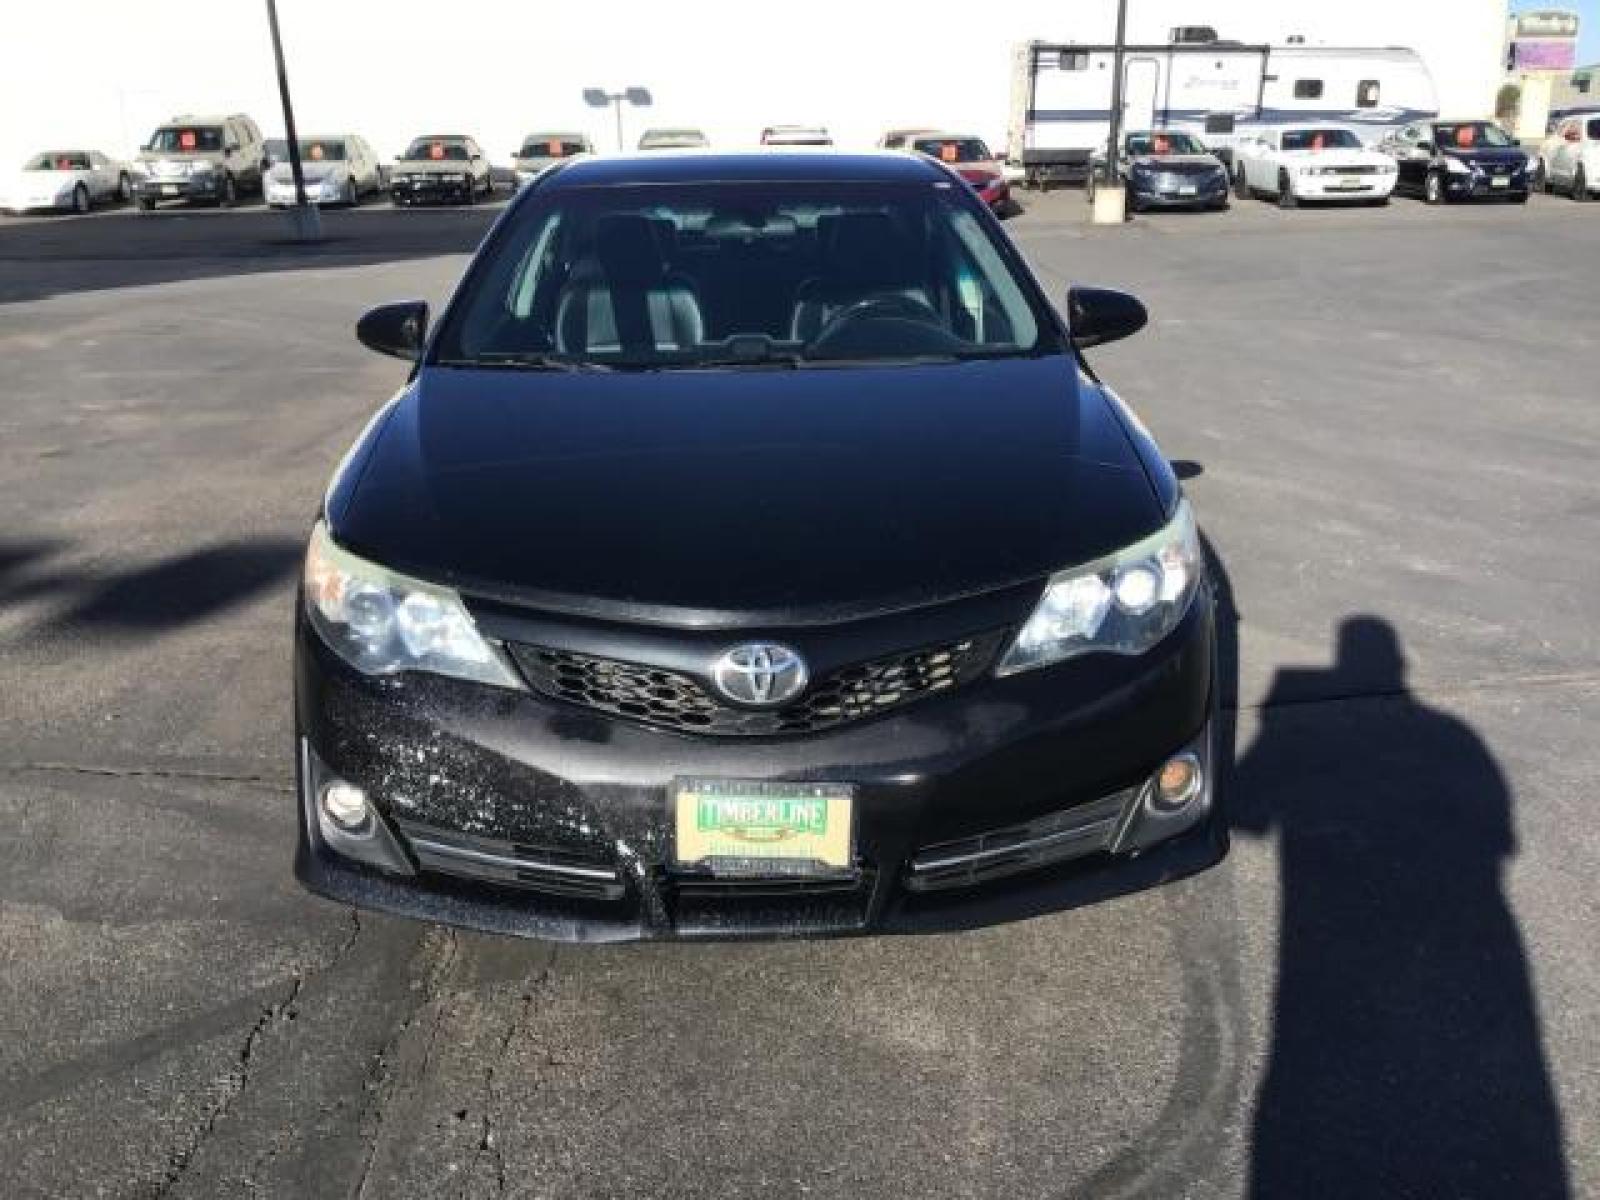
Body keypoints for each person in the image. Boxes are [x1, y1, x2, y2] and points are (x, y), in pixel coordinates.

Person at [1232, 617, 1568, 1198]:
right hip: (1475, 938)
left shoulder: (1305, 717)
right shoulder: (1456, 738)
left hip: (1330, 946)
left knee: (1314, 1081)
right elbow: (1501, 840)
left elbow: (1248, 812)